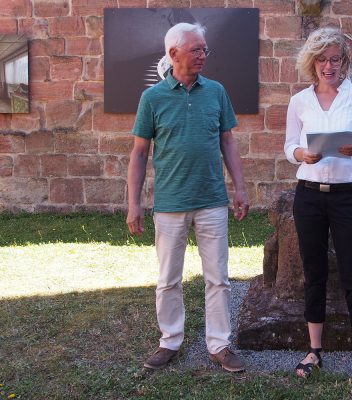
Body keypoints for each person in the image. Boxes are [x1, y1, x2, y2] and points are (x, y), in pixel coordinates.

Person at [126, 22, 249, 372]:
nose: (203, 55)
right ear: (173, 53)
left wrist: (239, 188)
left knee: (218, 278)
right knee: (168, 279)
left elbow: (228, 141)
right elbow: (138, 154)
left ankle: (220, 344)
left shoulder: (216, 92)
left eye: (204, 49)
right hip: (170, 203)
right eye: (196, 49)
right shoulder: (152, 98)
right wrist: (134, 203)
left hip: (212, 200)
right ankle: (170, 340)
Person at [284, 27, 352, 389]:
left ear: (345, 62)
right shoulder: (300, 101)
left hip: (346, 195)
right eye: (322, 59)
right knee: (314, 272)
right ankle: (313, 350)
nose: (329, 66)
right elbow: (289, 146)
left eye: (335, 59)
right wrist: (301, 154)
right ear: (312, 63)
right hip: (309, 194)